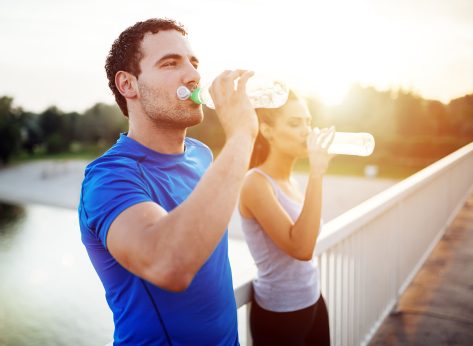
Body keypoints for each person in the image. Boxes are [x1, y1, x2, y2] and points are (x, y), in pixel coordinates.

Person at [78, 18, 259, 345]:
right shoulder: (108, 178)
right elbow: (168, 264)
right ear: (128, 85)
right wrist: (242, 136)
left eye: (193, 62)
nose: (193, 75)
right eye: (170, 63)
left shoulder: (201, 154)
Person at [239, 90, 334, 345]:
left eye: (308, 122)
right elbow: (302, 248)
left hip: (313, 300)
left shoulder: (290, 180)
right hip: (280, 315)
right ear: (267, 131)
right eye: (295, 123)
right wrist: (317, 173)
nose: (306, 131)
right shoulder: (255, 183)